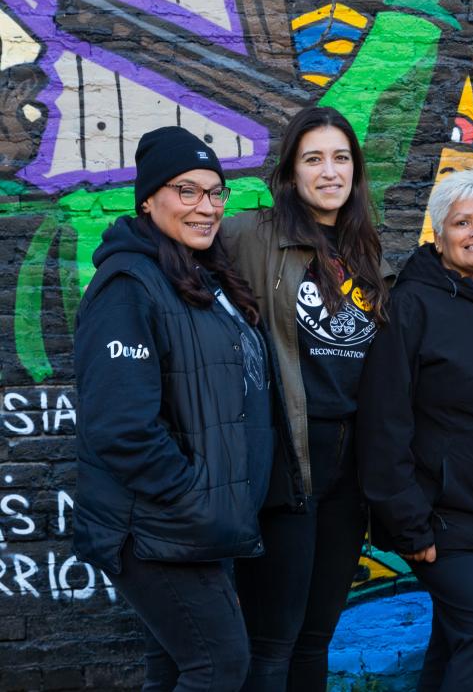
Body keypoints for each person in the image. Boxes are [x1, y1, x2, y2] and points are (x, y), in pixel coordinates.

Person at [73, 127, 276, 691]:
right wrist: (193, 494)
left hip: (200, 521)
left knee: (175, 665)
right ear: (148, 198)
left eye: (216, 193)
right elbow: (120, 426)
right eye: (187, 191)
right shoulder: (128, 287)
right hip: (161, 523)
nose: (206, 207)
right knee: (219, 664)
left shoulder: (199, 277)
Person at [220, 106, 393, 690]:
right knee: (273, 641)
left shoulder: (366, 251)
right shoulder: (250, 235)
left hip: (349, 471)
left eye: (341, 158)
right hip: (287, 462)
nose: (329, 171)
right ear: (292, 173)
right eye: (313, 158)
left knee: (317, 638)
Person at [358, 167, 473, 690]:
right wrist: (409, 523)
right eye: (462, 222)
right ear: (438, 236)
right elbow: (383, 421)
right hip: (440, 516)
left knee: (454, 640)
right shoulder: (413, 305)